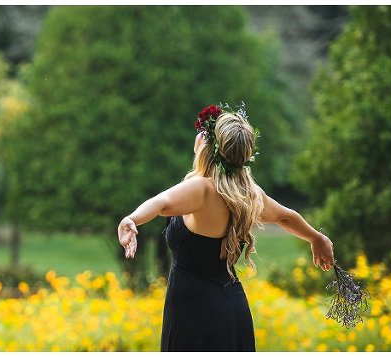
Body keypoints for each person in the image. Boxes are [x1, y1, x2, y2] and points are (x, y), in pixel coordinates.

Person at [116, 104, 335, 352]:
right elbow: (286, 217)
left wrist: (131, 219)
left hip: (193, 313)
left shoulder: (201, 189)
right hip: (232, 312)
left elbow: (160, 204)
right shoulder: (248, 194)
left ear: (210, 146)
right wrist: (316, 237)